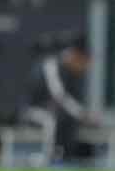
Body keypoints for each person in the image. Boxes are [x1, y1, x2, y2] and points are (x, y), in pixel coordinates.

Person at [23, 33, 99, 161]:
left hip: (57, 113)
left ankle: (66, 155)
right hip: (33, 111)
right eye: (83, 61)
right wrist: (82, 114)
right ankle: (48, 158)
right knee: (51, 119)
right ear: (75, 56)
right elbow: (59, 95)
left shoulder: (73, 74)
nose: (85, 67)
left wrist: (84, 115)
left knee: (66, 119)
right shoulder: (51, 65)